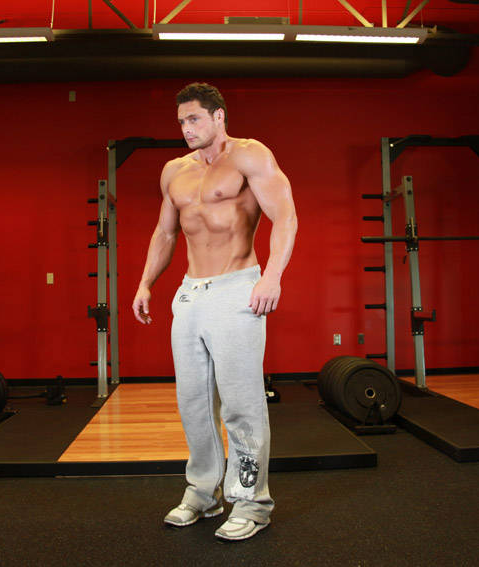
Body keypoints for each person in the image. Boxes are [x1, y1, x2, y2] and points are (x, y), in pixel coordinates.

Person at [132, 82, 297, 541]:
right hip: (190, 293)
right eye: (181, 122)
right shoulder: (174, 171)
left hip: (237, 286)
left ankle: (251, 502)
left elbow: (285, 216)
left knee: (241, 404)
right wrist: (146, 282)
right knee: (193, 402)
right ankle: (204, 492)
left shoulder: (250, 156)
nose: (186, 129)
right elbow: (165, 233)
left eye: (194, 119)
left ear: (219, 116)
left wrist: (272, 276)